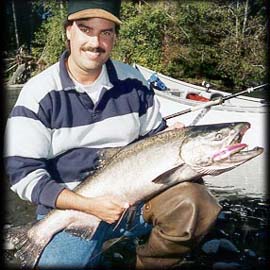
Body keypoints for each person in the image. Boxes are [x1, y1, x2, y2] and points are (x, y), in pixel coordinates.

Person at [4, 0, 221, 269]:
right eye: (86, 29)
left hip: (138, 204)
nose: (96, 42)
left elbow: (153, 139)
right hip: (71, 210)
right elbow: (22, 173)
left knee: (195, 203)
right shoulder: (38, 93)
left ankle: (151, 262)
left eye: (106, 32)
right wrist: (88, 205)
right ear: (68, 32)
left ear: (115, 37)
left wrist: (180, 146)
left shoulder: (133, 82)